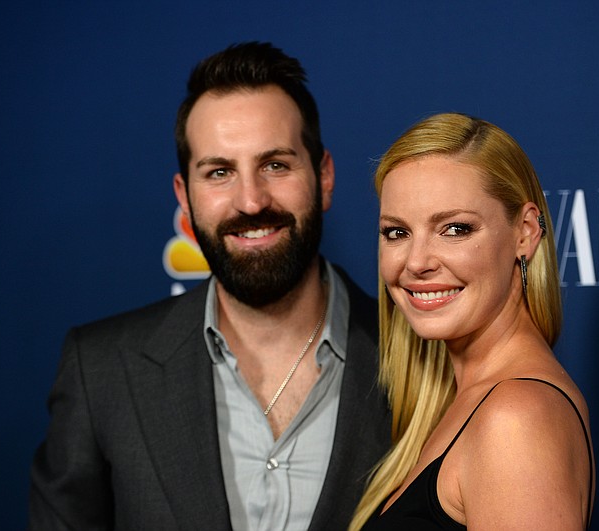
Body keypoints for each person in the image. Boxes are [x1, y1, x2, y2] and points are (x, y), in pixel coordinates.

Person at [29, 41, 391, 531]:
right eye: (219, 172)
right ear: (185, 196)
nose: (250, 200)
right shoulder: (101, 372)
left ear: (323, 177)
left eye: (276, 165)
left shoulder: (420, 360)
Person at [349, 113, 594, 530]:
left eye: (455, 229)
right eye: (396, 233)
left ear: (525, 232)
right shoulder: (464, 399)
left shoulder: (516, 420)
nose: (417, 262)